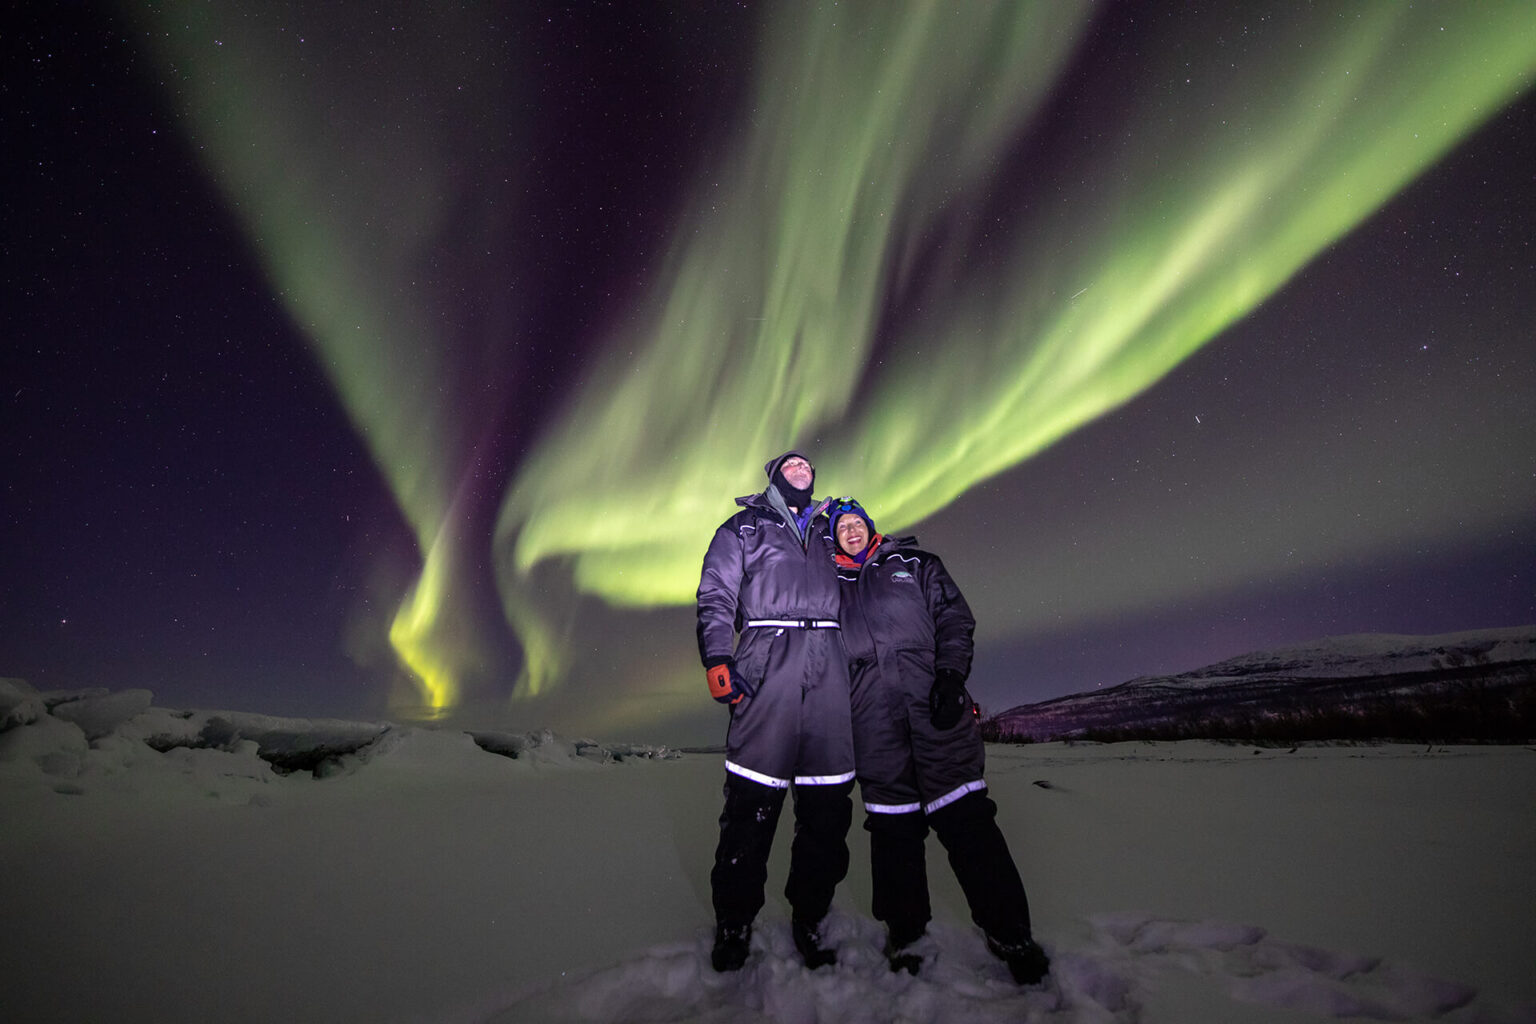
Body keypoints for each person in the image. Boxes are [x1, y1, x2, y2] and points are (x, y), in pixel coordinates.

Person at [829, 496, 1050, 985]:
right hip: (872, 723)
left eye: (854, 521)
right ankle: (907, 934)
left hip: (934, 708)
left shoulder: (915, 564)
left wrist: (950, 675)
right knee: (892, 832)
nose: (849, 530)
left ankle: (1010, 933)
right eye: (839, 526)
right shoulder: (829, 588)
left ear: (869, 524)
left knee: (968, 821)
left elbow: (954, 620)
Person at [695, 451, 856, 972]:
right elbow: (716, 592)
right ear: (773, 476)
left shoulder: (832, 533)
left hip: (830, 667)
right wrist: (718, 654)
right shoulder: (744, 528)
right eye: (792, 466)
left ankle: (810, 916)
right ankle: (734, 922)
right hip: (768, 662)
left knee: (827, 810)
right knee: (750, 808)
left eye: (810, 467)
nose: (803, 471)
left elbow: (868, 589)